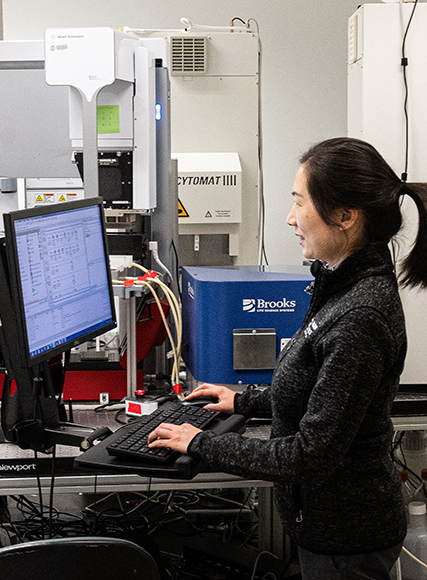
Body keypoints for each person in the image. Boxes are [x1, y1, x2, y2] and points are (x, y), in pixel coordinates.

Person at [149, 137, 427, 579]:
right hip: (328, 529)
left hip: (346, 540)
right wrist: (245, 403)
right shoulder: (339, 284)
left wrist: (200, 443)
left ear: (345, 216)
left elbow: (310, 456)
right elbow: (314, 388)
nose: (290, 218)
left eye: (300, 203)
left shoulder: (360, 315)